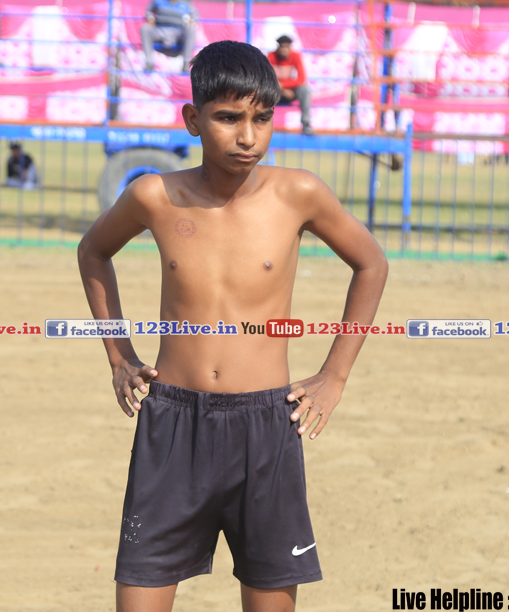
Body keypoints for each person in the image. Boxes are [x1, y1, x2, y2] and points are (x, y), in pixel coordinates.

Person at [77, 40, 389, 612]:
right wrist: (118, 357)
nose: (248, 136)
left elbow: (371, 263)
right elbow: (93, 250)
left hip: (266, 425)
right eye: (228, 118)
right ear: (193, 119)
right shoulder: (154, 195)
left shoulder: (298, 193)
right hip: (172, 424)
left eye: (261, 119)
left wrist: (334, 376)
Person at [140, 0, 198, 72]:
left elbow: (195, 16)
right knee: (145, 28)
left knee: (191, 29)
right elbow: (148, 11)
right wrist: (150, 18)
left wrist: (191, 21)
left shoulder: (186, 1)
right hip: (160, 31)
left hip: (178, 33)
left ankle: (186, 64)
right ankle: (149, 63)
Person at [267, 35, 313, 135]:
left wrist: (283, 86)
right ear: (278, 47)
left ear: (290, 48)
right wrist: (282, 89)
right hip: (276, 91)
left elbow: (302, 78)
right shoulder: (271, 56)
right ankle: (263, 124)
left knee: (305, 90)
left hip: (290, 92)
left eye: (286, 47)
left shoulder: (296, 56)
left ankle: (306, 124)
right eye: (282, 47)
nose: (284, 49)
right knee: (262, 91)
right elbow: (267, 78)